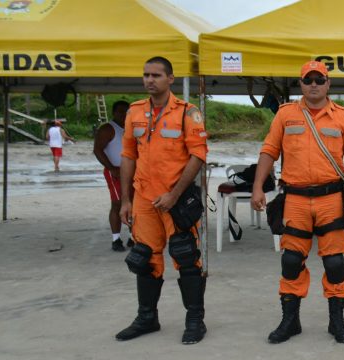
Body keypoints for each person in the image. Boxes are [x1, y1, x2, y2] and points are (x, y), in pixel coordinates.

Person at [250, 60, 344, 345]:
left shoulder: (343, 117)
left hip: (330, 199)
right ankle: (291, 321)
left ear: (328, 83)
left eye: (319, 79)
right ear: (300, 84)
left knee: (335, 262)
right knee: (291, 260)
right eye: (308, 79)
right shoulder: (286, 115)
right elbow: (269, 150)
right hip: (296, 200)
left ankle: (336, 321)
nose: (314, 84)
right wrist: (257, 187)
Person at [116, 56, 209, 345]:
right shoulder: (134, 112)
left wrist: (174, 194)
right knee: (144, 258)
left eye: (156, 75)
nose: (149, 80)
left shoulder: (187, 113)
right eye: (146, 75)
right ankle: (147, 318)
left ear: (170, 79)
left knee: (186, 257)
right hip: (144, 199)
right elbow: (128, 156)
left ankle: (195, 320)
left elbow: (198, 156)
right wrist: (125, 200)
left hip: (176, 200)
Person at [94, 100, 133, 252]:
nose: (124, 115)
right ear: (114, 113)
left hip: (133, 170)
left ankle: (133, 237)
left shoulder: (132, 128)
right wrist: (110, 168)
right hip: (115, 170)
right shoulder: (107, 129)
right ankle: (116, 239)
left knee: (134, 204)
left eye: (126, 112)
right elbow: (98, 150)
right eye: (120, 112)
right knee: (117, 203)